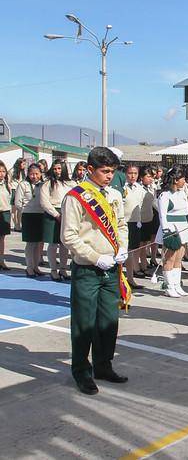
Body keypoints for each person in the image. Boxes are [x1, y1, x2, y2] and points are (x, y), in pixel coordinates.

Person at [61, 146, 129, 395]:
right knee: (84, 324)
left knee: (108, 321)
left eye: (112, 171)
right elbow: (68, 236)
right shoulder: (75, 197)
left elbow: (121, 224)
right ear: (90, 170)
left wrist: (123, 246)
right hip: (89, 268)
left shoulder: (112, 194)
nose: (109, 176)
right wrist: (94, 256)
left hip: (111, 267)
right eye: (105, 171)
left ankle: (103, 365)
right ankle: (81, 371)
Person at [156, 167, 188, 298]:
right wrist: (167, 232)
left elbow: (185, 211)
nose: (185, 181)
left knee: (179, 258)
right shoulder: (164, 195)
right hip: (171, 227)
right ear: (176, 180)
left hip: (183, 226)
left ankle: (177, 285)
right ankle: (169, 286)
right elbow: (162, 215)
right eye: (183, 178)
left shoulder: (182, 193)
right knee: (169, 258)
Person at [39, 159, 73, 281]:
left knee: (64, 244)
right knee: (53, 244)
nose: (57, 171)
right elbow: (44, 202)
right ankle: (53, 269)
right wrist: (56, 214)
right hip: (52, 215)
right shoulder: (48, 184)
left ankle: (63, 269)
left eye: (59, 168)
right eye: (55, 168)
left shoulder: (71, 184)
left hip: (68, 213)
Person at [17, 164, 45, 277]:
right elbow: (18, 202)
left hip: (41, 215)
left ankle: (36, 266)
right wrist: (26, 210)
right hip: (28, 216)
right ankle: (29, 267)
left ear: (40, 174)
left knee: (38, 243)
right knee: (30, 243)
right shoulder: (23, 185)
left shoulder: (43, 185)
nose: (34, 176)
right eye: (32, 174)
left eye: (37, 174)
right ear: (28, 174)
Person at [121, 165, 145, 289]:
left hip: (135, 222)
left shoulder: (140, 188)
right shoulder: (121, 187)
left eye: (135, 173)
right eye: (130, 173)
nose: (132, 176)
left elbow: (140, 205)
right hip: (123, 223)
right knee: (121, 252)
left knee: (131, 251)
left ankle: (130, 278)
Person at [138, 167, 157, 275]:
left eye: (152, 177)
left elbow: (154, 202)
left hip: (149, 218)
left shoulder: (151, 188)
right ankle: (139, 265)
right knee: (140, 244)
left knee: (146, 243)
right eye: (148, 176)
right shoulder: (139, 189)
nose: (151, 179)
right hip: (140, 220)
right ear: (142, 177)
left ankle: (144, 264)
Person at [0, 161, 11, 270]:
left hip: (5, 212)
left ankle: (1, 260)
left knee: (2, 238)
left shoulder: (7, 184)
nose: (1, 174)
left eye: (3, 171)